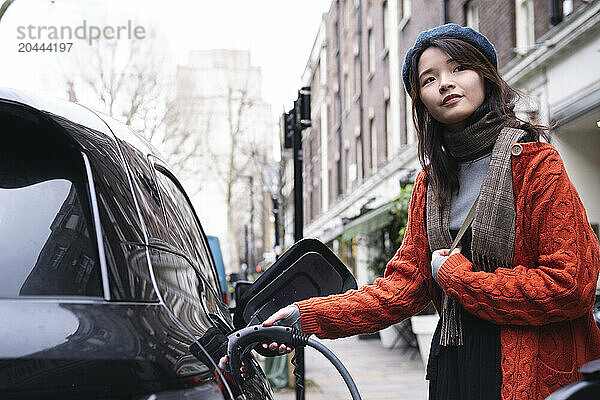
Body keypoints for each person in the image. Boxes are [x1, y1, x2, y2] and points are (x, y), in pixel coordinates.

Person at [228, 24, 600, 400]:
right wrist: (304, 316)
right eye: (429, 79)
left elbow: (572, 285)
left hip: (529, 370)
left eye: (458, 68)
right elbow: (400, 289)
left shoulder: (536, 165)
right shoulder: (431, 183)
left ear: (485, 74)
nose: (445, 83)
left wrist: (459, 277)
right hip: (454, 366)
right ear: (421, 100)